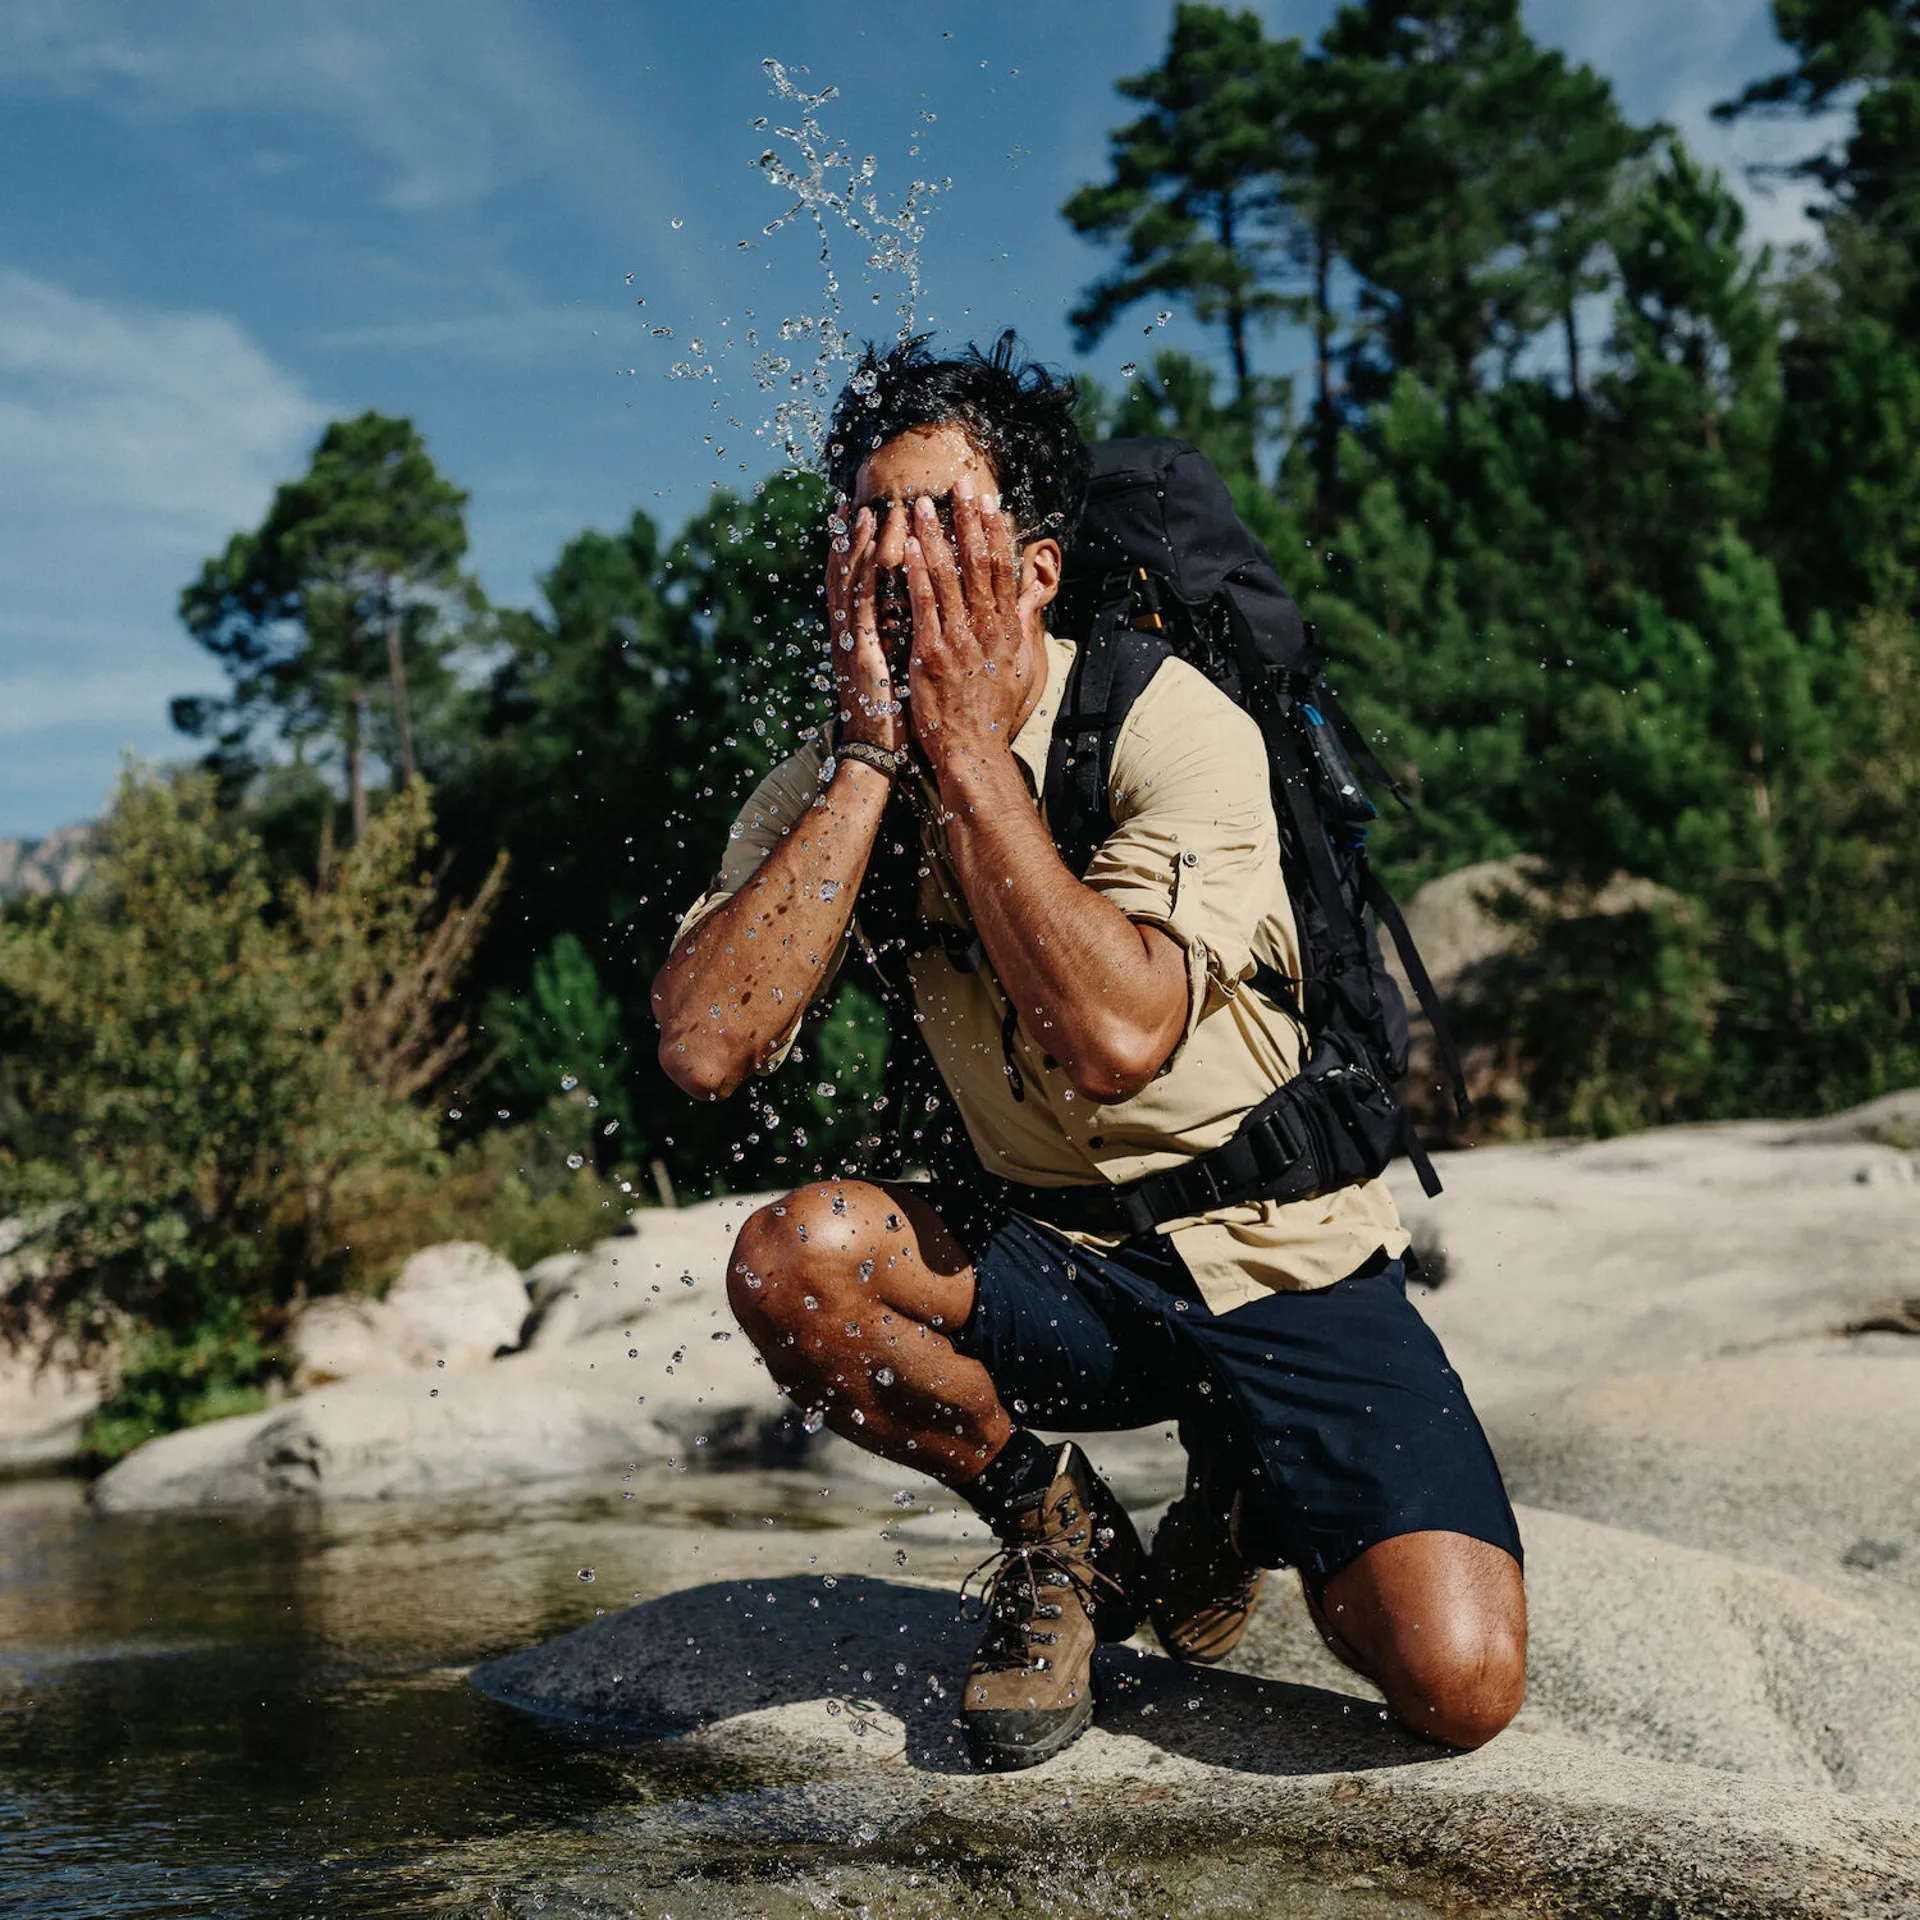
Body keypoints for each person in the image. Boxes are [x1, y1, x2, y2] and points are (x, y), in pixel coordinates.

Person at [651, 334, 1526, 1773]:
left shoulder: (1168, 721)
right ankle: (1054, 1527)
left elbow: (1119, 1036)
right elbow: (702, 1046)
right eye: (870, 525)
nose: (900, 561)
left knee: (1459, 1684)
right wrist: (874, 760)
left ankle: (1246, 1478)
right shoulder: (829, 778)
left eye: (942, 523)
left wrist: (970, 756)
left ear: (1036, 570)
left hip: (1278, 1254)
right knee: (791, 1262)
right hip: (1053, 1265)